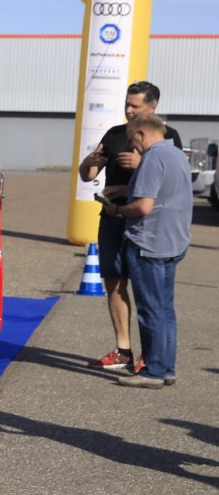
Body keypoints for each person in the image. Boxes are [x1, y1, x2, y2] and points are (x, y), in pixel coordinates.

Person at [77, 81, 183, 371]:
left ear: (152, 108)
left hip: (146, 224)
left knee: (147, 294)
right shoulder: (114, 134)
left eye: (135, 105)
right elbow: (88, 175)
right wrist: (89, 162)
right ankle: (123, 350)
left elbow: (172, 181)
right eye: (126, 104)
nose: (128, 110)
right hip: (113, 220)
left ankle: (151, 357)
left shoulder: (167, 137)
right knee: (114, 284)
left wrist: (142, 162)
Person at [102, 115, 191, 388]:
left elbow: (143, 206)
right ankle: (166, 367)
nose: (132, 146)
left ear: (141, 133)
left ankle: (153, 370)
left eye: (132, 139)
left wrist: (117, 209)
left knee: (150, 309)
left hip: (149, 243)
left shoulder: (152, 158)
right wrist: (125, 188)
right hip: (173, 241)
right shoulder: (177, 155)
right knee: (165, 309)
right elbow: (164, 191)